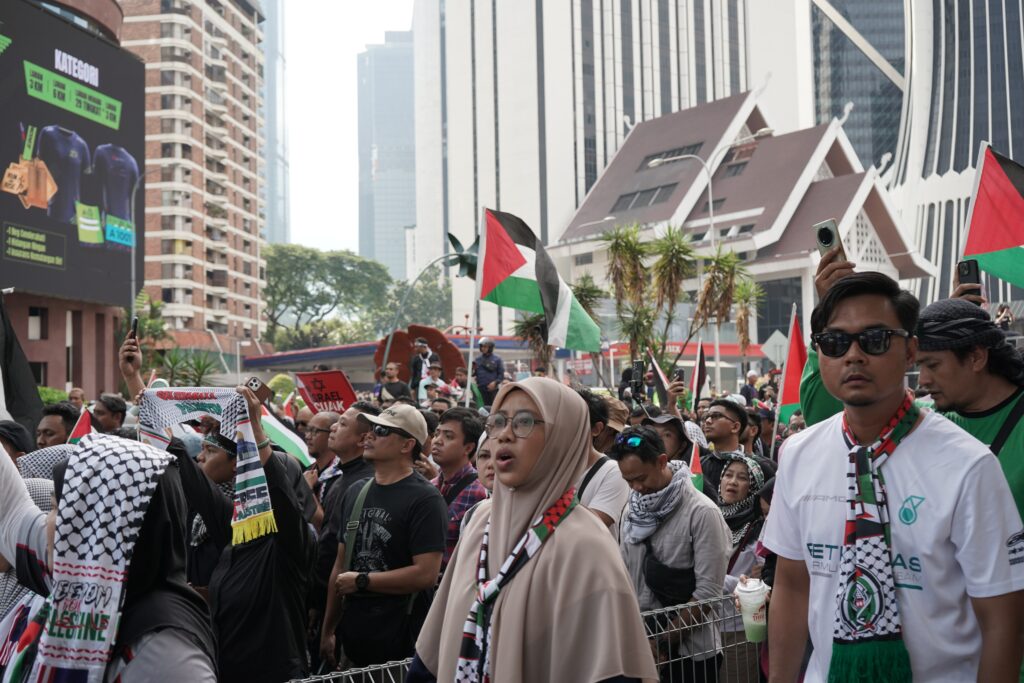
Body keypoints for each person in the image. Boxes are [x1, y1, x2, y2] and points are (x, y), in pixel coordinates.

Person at [765, 271, 1024, 683]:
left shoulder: (968, 467)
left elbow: (1002, 620)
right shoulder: (797, 454)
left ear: (910, 353)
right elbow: (793, 586)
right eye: (835, 343)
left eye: (875, 339)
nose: (853, 355)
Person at [409, 378, 658, 682]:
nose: (504, 435)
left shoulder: (586, 544)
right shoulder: (480, 521)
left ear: (562, 437)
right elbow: (432, 653)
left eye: (525, 422)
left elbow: (609, 670)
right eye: (498, 422)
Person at [0, 433, 217, 681]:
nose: (47, 523)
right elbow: (8, 510)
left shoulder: (167, 654)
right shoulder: (82, 576)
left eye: (59, 509)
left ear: (103, 523)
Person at [160, 387, 317, 683]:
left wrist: (255, 429)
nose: (248, 487)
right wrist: (137, 385)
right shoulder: (238, 530)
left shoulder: (293, 543)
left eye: (255, 478)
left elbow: (279, 494)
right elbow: (191, 476)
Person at [319, 404, 447, 669]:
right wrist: (328, 630)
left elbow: (426, 574)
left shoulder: (426, 499)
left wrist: (363, 581)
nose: (370, 435)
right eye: (370, 429)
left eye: (381, 430)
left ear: (406, 444)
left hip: (400, 645)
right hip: (354, 641)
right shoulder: (356, 491)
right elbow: (340, 567)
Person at [611, 425, 732, 683]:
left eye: (641, 478)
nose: (636, 487)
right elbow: (625, 576)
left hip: (691, 655)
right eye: (628, 480)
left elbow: (707, 593)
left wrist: (662, 644)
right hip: (639, 649)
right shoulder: (630, 511)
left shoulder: (702, 513)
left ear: (662, 461)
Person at [310, 402, 379, 665]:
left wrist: (330, 624)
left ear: (363, 438)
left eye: (343, 424)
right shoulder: (342, 478)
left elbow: (339, 558)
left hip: (347, 613)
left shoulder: (365, 483)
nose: (333, 429)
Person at [716, 455, 769, 683]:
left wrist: (712, 579)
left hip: (739, 630)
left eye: (742, 478)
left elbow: (757, 582)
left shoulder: (760, 527)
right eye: (728, 475)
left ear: (754, 486)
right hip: (707, 625)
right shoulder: (710, 515)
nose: (733, 482)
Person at [430, 407, 488, 571]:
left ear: (468, 448)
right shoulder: (429, 486)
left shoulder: (481, 492)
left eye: (448, 436)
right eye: (436, 434)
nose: (438, 441)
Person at [574, 387, 631, 535]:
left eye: (615, 434)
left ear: (596, 429)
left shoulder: (614, 472)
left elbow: (589, 530)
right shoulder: (548, 465)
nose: (611, 440)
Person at [701, 399, 772, 495]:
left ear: (735, 427)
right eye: (707, 417)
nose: (708, 421)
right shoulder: (700, 465)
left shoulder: (759, 468)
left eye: (716, 416)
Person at [302, 410, 342, 506]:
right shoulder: (307, 472)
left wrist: (307, 489)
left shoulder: (341, 476)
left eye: (315, 431)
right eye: (308, 430)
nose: (307, 436)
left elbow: (324, 521)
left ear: (332, 434)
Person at [472, 337, 505, 407]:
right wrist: (472, 369)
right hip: (480, 389)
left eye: (485, 347)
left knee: (493, 408)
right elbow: (473, 374)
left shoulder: (497, 359)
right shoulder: (477, 359)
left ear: (490, 347)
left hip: (492, 390)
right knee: (480, 408)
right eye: (481, 346)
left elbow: (501, 375)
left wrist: (495, 383)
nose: (483, 348)